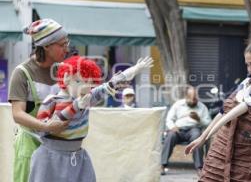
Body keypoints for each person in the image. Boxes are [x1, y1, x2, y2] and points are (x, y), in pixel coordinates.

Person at [184, 31, 251, 182]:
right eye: (247, 64)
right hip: (222, 148)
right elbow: (224, 112)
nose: (249, 69)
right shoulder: (246, 83)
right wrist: (202, 138)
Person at [29, 55, 153, 182]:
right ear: (66, 78)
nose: (86, 87)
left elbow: (111, 84)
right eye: (79, 81)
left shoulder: (87, 98)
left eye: (89, 82)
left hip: (77, 159)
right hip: (50, 159)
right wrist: (75, 107)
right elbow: (42, 128)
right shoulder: (51, 100)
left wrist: (136, 69)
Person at [8, 19, 71, 182]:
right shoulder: (22, 73)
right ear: (46, 45)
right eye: (62, 44)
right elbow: (17, 114)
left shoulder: (63, 70)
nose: (67, 48)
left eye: (67, 43)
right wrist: (46, 126)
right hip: (30, 145)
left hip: (57, 145)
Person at [161, 86, 211, 178]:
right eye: (191, 99)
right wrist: (172, 127)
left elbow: (208, 122)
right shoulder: (178, 105)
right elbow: (169, 119)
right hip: (178, 130)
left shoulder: (201, 106)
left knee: (197, 137)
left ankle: (199, 167)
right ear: (186, 97)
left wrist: (199, 119)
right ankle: (162, 165)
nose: (193, 101)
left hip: (194, 129)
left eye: (195, 99)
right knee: (170, 136)